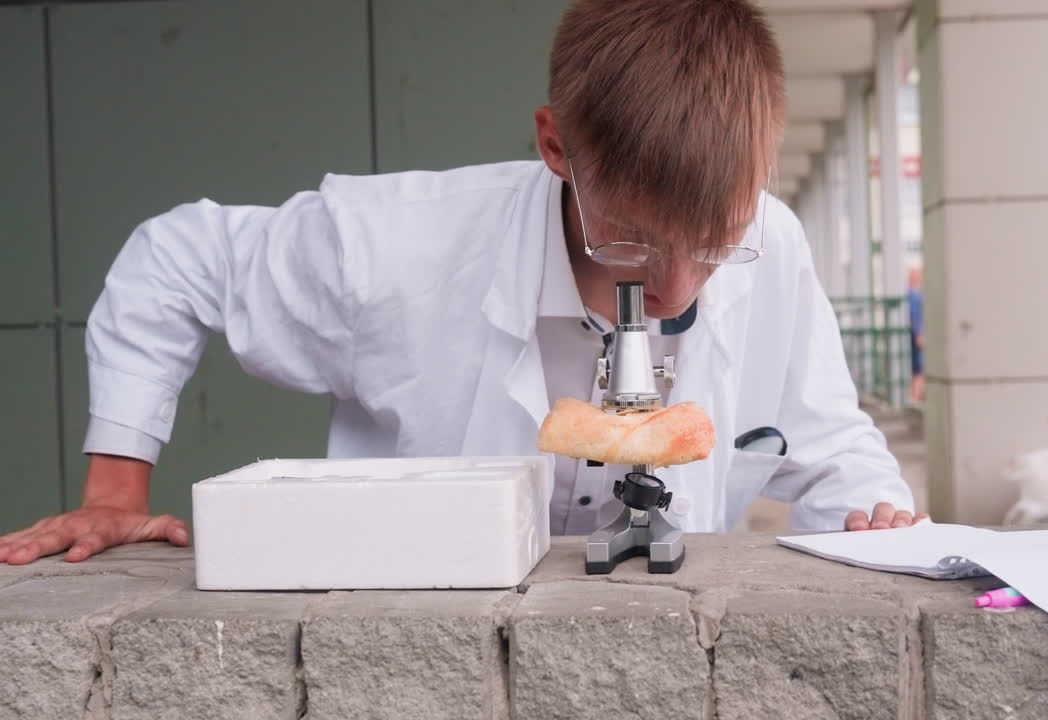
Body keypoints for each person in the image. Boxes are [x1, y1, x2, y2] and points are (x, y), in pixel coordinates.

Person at [0, 0, 925, 567]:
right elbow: (176, 259)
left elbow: (824, 435)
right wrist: (116, 489)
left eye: (717, 244)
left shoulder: (778, 236)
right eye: (636, 247)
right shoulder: (395, 247)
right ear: (557, 147)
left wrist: (874, 518)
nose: (680, 291)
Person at [907, 265, 925, 403]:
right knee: (919, 370)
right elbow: (915, 317)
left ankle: (915, 396)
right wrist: (919, 334)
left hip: (911, 337)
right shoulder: (915, 295)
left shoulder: (909, 294)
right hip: (915, 337)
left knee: (916, 370)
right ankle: (916, 396)